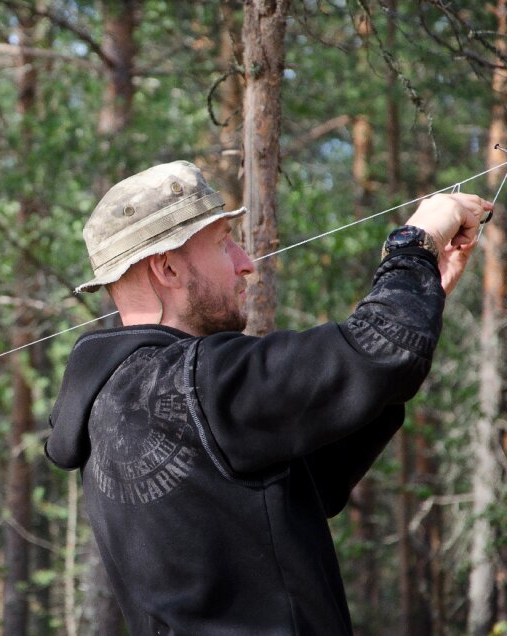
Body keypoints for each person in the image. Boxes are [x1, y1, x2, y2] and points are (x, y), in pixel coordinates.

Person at [45, 160, 492, 634]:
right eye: (223, 243)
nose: (246, 263)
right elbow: (382, 348)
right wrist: (413, 244)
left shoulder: (111, 402)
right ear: (169, 267)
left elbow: (295, 491)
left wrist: (422, 298)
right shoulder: (197, 380)